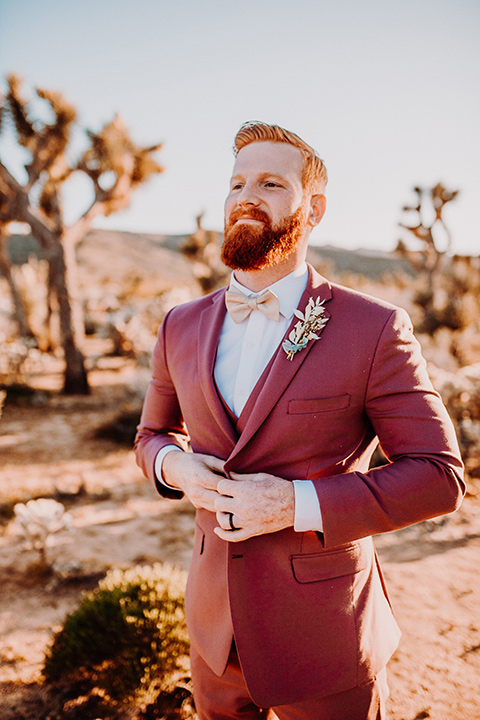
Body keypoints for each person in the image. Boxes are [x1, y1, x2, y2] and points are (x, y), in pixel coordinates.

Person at [134, 121, 465, 720]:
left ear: (313, 209)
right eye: (236, 183)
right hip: (213, 626)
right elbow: (151, 436)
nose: (245, 196)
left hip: (324, 632)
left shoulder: (373, 328)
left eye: (269, 182)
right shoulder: (178, 325)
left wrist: (293, 504)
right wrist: (174, 464)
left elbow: (438, 476)